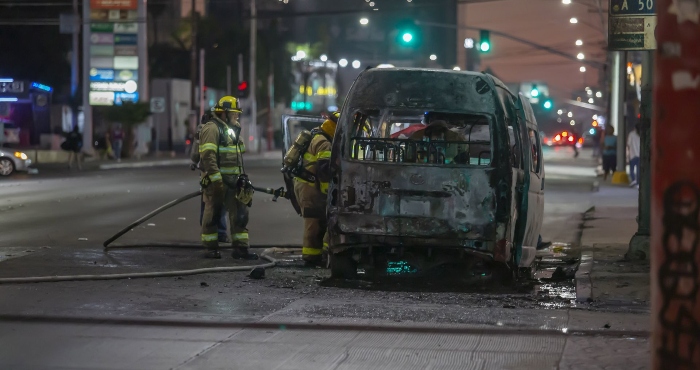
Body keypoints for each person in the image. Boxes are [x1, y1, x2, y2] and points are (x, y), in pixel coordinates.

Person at [198, 96, 257, 260]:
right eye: (234, 113)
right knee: (212, 215)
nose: (237, 116)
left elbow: (240, 151)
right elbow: (208, 156)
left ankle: (241, 249)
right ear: (223, 113)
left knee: (240, 215)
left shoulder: (232, 128)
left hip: (234, 180)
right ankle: (211, 249)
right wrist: (216, 179)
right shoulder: (212, 129)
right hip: (217, 181)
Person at [293, 111, 338, 266]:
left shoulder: (317, 135)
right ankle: (311, 259)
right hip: (311, 188)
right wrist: (328, 191)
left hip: (306, 185)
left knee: (318, 222)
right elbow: (324, 169)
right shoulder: (324, 142)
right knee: (314, 223)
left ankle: (317, 255)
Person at [191, 110, 229, 244]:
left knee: (215, 203)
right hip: (209, 172)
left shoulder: (223, 128)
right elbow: (201, 152)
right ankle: (214, 234)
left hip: (219, 171)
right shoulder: (209, 129)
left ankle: (218, 232)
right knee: (210, 203)